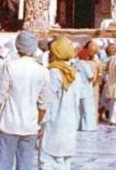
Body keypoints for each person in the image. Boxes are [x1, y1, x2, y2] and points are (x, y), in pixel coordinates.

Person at [0, 31, 53, 170]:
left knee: (3, 165)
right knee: (25, 166)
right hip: (30, 127)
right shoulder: (43, 71)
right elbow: (43, 104)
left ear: (17, 46)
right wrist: (36, 122)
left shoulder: (10, 67)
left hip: (9, 125)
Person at [39, 36, 81, 169]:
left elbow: (47, 100)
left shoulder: (54, 72)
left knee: (48, 161)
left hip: (54, 123)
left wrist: (39, 121)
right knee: (64, 162)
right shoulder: (75, 73)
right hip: (69, 123)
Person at [75, 48, 97, 131]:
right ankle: (88, 126)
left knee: (80, 109)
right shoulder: (85, 64)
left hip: (78, 89)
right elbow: (90, 76)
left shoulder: (76, 63)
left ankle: (79, 125)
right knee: (88, 108)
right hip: (86, 88)